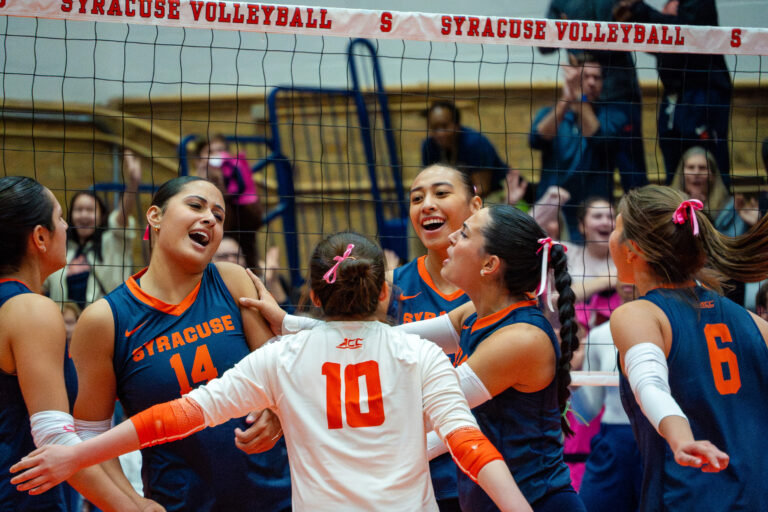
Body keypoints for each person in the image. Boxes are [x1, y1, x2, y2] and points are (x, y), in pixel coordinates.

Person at [12, 231, 533, 512]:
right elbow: (470, 447)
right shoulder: (419, 356)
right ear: (385, 293)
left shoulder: (282, 358)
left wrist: (77, 454)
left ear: (312, 294)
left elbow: (177, 415)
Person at [47, 176, 292, 511]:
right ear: (155, 217)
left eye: (218, 216)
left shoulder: (232, 280)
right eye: (196, 205)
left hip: (278, 498)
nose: (210, 218)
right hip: (180, 502)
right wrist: (134, 505)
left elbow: (281, 378)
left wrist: (278, 412)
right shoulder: (105, 320)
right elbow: (90, 438)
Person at [0, 176, 156, 512]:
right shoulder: (31, 310)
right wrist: (133, 509)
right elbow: (54, 438)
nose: (67, 225)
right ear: (40, 237)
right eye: (59, 217)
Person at [608, 184, 768, 510]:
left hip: (687, 497)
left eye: (616, 227)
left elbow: (649, 385)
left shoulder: (638, 314)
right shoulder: (755, 323)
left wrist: (682, 441)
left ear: (631, 249)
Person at [390, 163, 482, 510]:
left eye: (441, 193)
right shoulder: (388, 286)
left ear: (475, 206)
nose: (426, 204)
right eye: (417, 198)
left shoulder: (499, 288)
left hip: (483, 468)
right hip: (413, 481)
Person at [614, 0, 732, 186]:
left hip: (703, 96)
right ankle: (675, 212)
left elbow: (686, 32)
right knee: (674, 168)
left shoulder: (698, 8)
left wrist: (639, 9)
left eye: (671, 15)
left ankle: (711, 215)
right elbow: (664, 40)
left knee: (707, 165)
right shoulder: (668, 21)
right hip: (673, 100)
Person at [540, 2, 648, 192]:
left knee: (632, 173)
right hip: (583, 94)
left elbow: (646, 31)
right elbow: (544, 46)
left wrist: (574, 35)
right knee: (584, 166)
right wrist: (560, 30)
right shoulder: (561, 2)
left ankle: (640, 219)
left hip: (620, 96)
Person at [530, 52, 624, 241]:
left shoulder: (613, 115)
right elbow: (537, 139)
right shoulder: (550, 113)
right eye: (584, 77)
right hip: (553, 213)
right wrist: (567, 98)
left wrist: (579, 98)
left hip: (592, 216)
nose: (591, 82)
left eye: (596, 78)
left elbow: (601, 139)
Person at [570, 281, 642, 512]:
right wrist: (571, 379)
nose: (628, 281)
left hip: (658, 438)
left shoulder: (671, 328)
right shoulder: (599, 335)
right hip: (614, 439)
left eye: (634, 274)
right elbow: (587, 413)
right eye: (622, 274)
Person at [45, 150, 142, 309]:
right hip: (67, 329)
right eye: (79, 210)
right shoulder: (61, 250)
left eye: (90, 210)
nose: (84, 215)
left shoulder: (112, 242)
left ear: (101, 215)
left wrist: (133, 184)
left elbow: (121, 219)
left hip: (108, 326)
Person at [421, 101, 516, 199]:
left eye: (445, 126)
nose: (440, 133)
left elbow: (482, 188)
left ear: (457, 125)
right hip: (461, 196)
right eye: (434, 128)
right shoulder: (428, 146)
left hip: (502, 192)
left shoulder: (475, 143)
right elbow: (429, 183)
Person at [194, 135, 262, 268]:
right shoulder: (190, 189)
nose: (217, 156)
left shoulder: (240, 183)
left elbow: (255, 219)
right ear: (198, 161)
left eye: (220, 150)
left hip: (245, 263)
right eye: (210, 152)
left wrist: (234, 185)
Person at [564, 198, 617, 305]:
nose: (606, 222)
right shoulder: (568, 253)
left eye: (611, 217)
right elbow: (557, 299)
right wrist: (604, 282)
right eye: (597, 216)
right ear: (582, 226)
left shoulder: (628, 258)